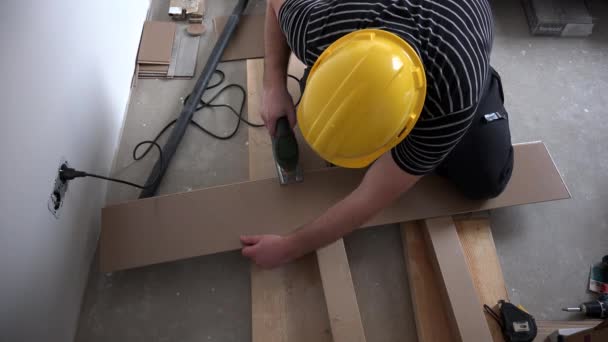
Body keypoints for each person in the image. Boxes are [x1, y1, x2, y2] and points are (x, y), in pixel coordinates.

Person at [241, 0, 513, 268]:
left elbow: (372, 195)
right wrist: (272, 86)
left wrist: (291, 247)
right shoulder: (314, 30)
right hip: (372, 21)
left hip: (455, 40)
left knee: (485, 178)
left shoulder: (453, 99)